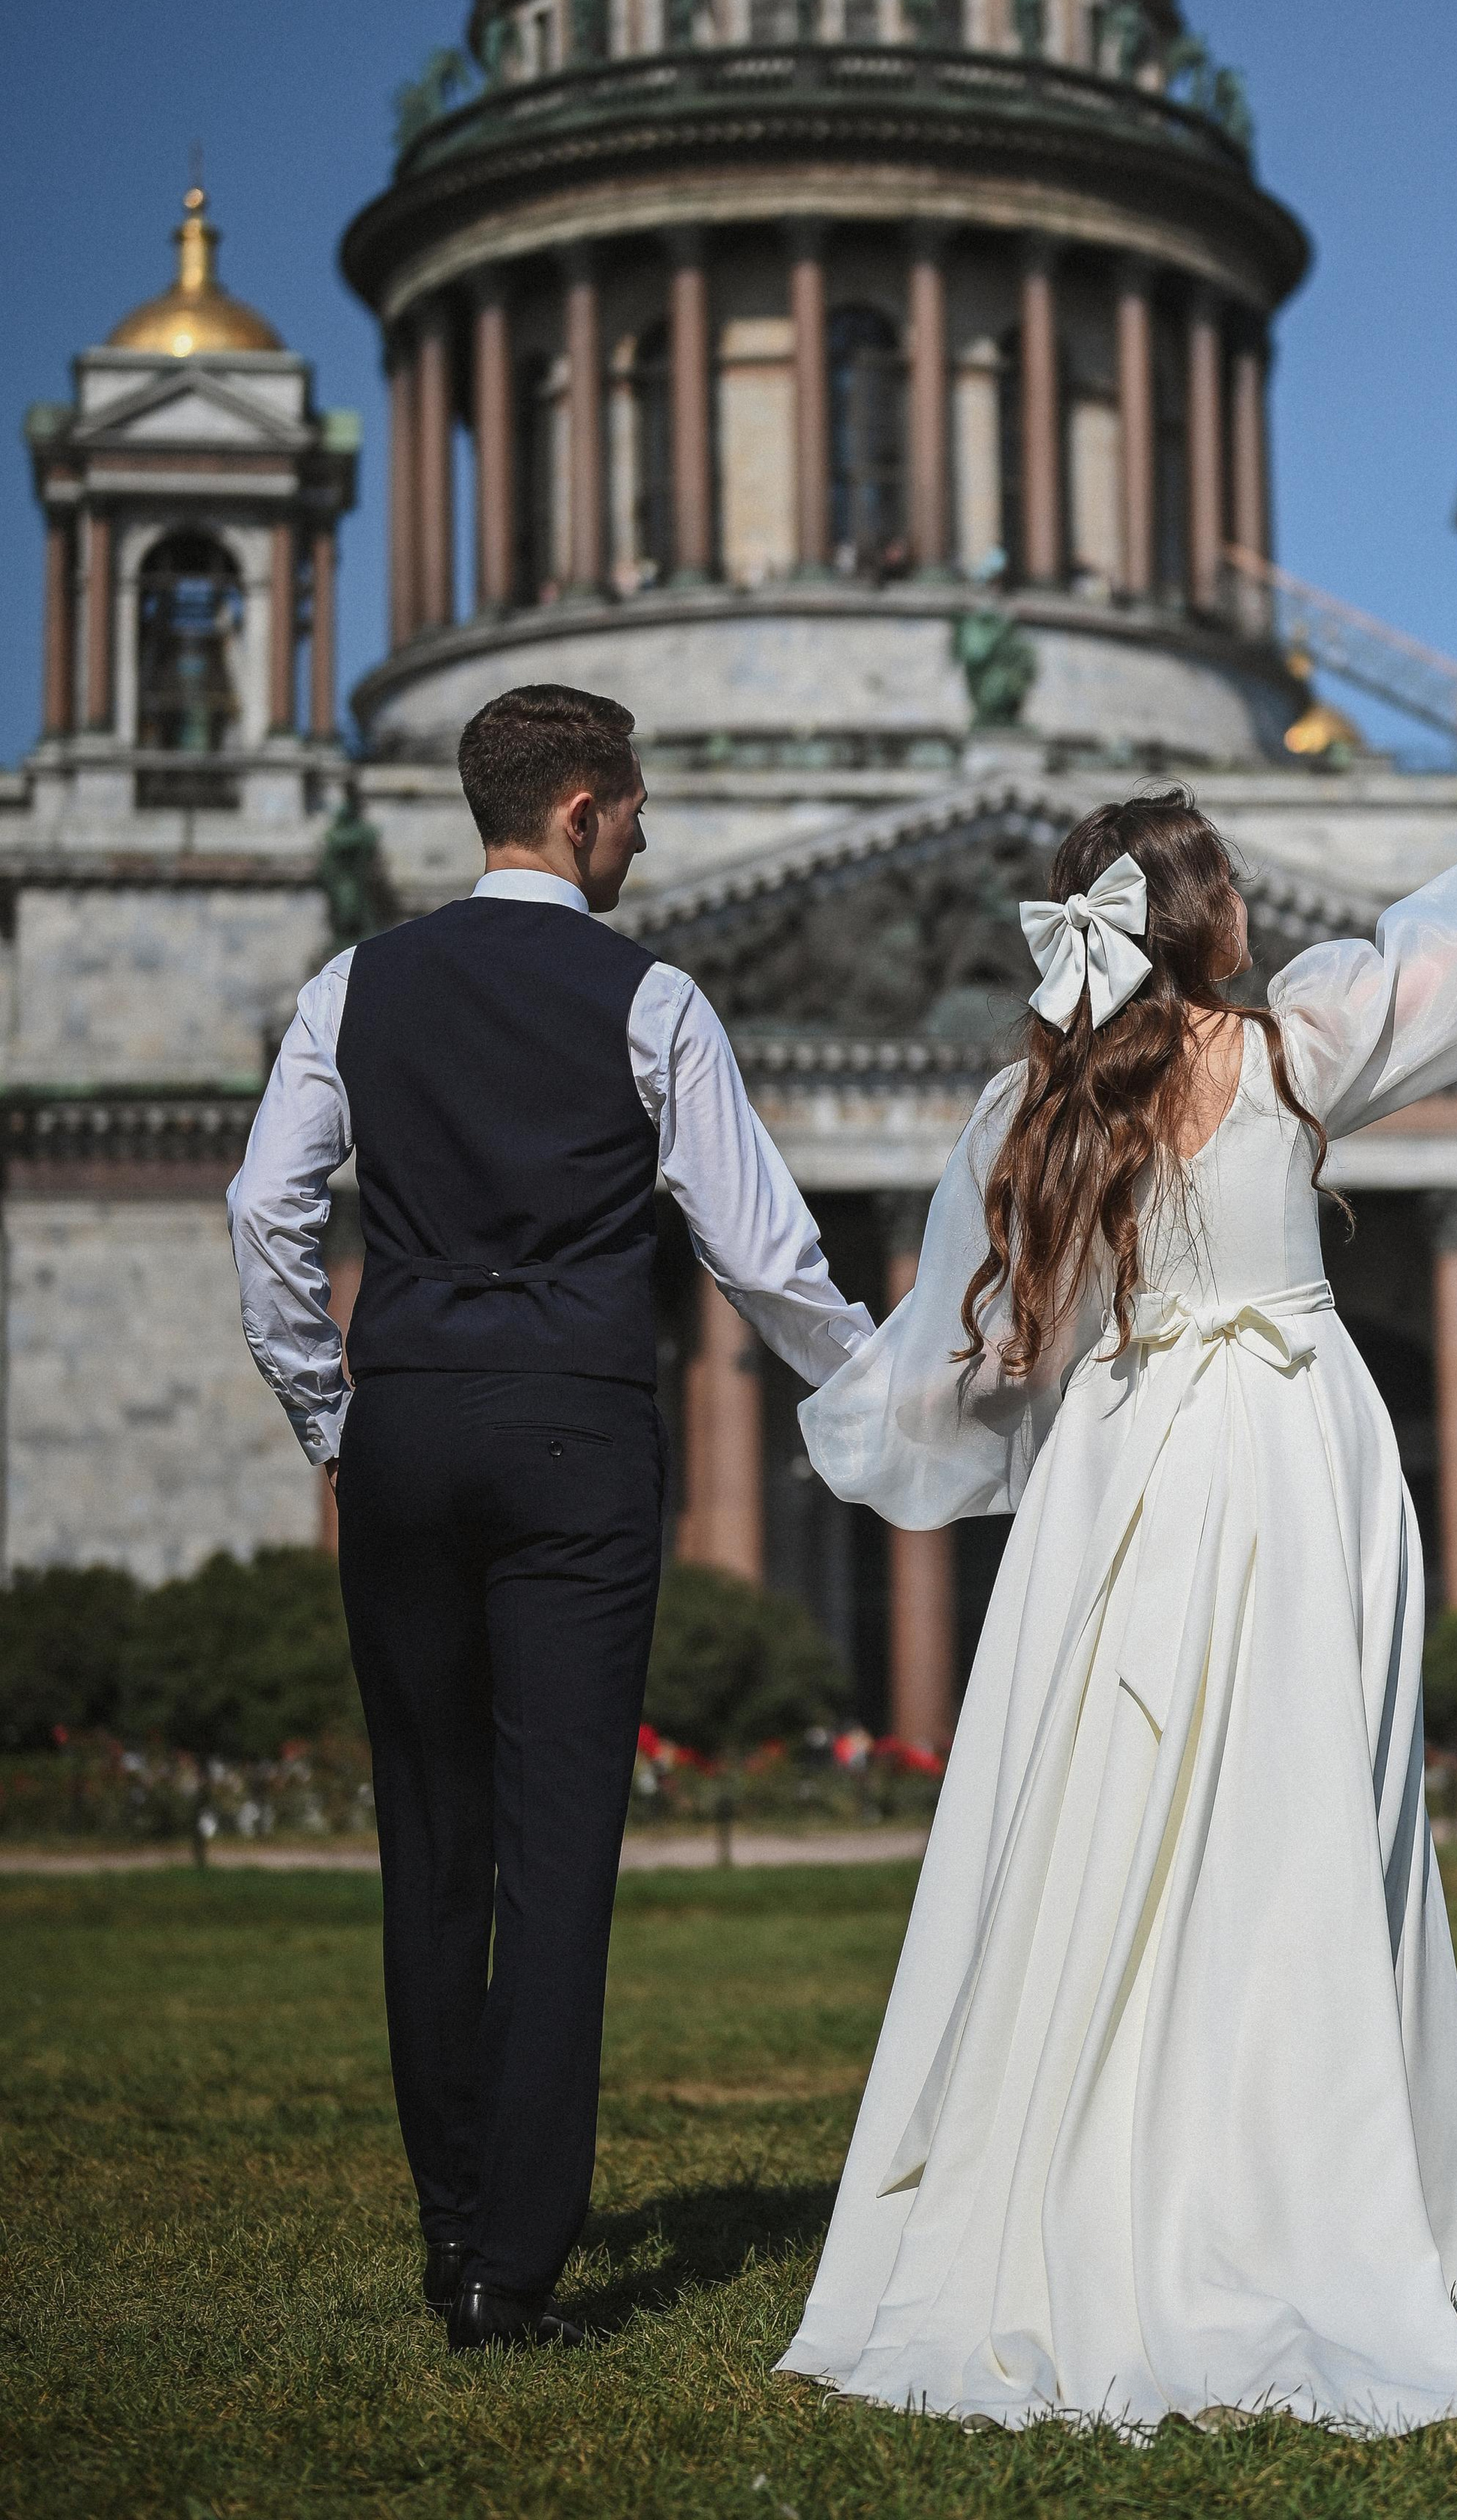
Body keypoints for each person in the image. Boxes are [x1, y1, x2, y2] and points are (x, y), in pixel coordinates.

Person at [778, 701, 1457, 2439]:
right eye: (1226, 881)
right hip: (1293, 1449)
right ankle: (1310, 2192)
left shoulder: (1042, 1102)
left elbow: (976, 1347)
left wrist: (921, 1401)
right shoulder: (1295, 1041)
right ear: (1205, 914)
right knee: (1308, 1804)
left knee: (1099, 1806)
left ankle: (1081, 2172)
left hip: (1122, 1466)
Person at [228, 685, 871, 2351]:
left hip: (406, 1423)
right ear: (582, 810)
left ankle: (452, 2223)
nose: (645, 834)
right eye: (635, 807)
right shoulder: (650, 998)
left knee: (431, 1843)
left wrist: (332, 1413)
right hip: (579, 1432)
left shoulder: (354, 983)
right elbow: (762, 1257)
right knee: (558, 1852)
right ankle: (513, 2272)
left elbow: (265, 1209)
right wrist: (883, 1396)